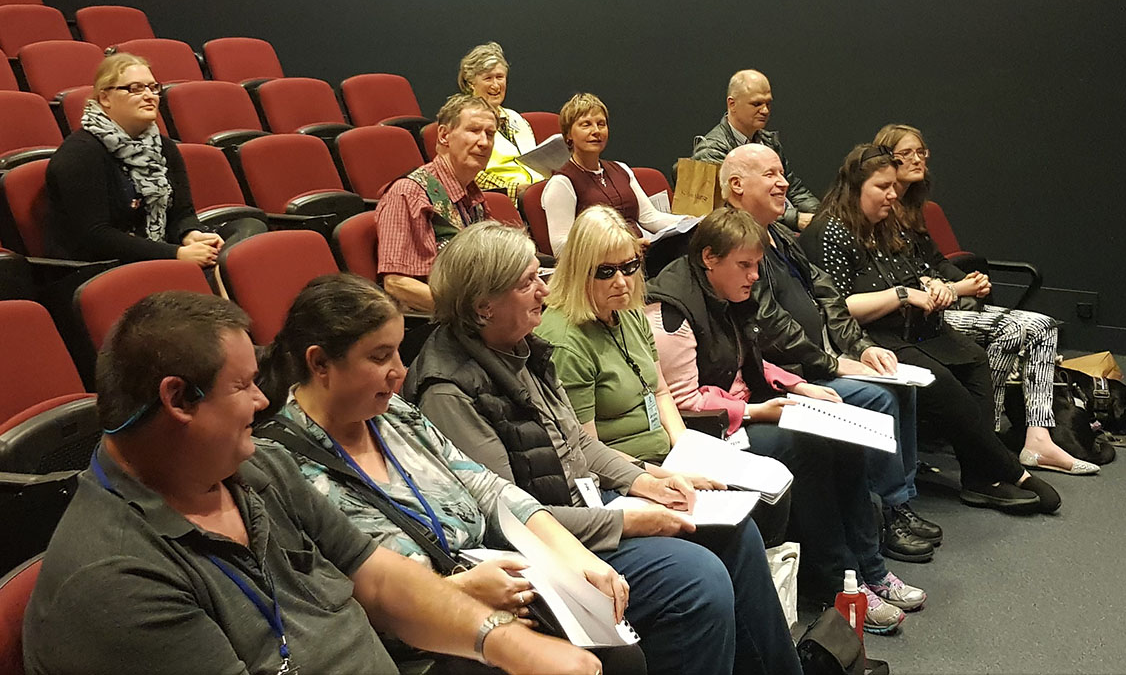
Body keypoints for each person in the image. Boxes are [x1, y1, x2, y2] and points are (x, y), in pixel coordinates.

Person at [23, 291, 599, 675]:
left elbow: (377, 580)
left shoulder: (257, 469)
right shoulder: (116, 581)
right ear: (179, 399)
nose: (261, 399)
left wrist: (504, 641)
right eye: (243, 385)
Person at [405, 220, 804, 675]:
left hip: (585, 506)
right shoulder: (448, 391)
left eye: (541, 275)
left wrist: (645, 479)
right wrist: (622, 520)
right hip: (548, 547)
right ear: (483, 306)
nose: (543, 290)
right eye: (528, 282)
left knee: (736, 534)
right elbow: (509, 519)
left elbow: (577, 443)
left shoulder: (521, 347)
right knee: (698, 581)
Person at [255, 272, 645, 674]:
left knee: (620, 652)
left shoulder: (396, 417)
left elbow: (490, 490)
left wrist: (577, 559)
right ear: (319, 363)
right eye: (379, 356)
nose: (400, 372)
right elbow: (328, 604)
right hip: (413, 647)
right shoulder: (281, 465)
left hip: (492, 598)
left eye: (398, 353)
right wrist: (460, 590)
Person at [644, 207, 926, 630]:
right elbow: (683, 402)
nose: (754, 276)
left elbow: (750, 360)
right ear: (709, 259)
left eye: (756, 265)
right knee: (804, 446)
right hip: (710, 432)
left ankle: (870, 567)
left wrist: (798, 386)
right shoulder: (670, 315)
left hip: (745, 409)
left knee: (844, 430)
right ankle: (837, 581)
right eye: (744, 265)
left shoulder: (728, 293)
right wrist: (758, 410)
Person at [799, 144, 1062, 514]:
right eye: (882, 187)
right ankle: (1011, 471)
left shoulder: (887, 224)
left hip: (917, 328)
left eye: (894, 186)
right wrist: (903, 294)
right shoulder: (830, 232)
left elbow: (918, 269)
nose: (893, 194)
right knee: (942, 384)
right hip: (872, 336)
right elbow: (837, 309)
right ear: (855, 187)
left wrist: (934, 283)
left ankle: (979, 478)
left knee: (974, 362)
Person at [718, 143, 938, 562]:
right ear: (736, 185)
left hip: (818, 358)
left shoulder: (779, 234)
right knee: (877, 398)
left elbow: (827, 294)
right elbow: (769, 324)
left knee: (896, 382)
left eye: (783, 173)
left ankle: (896, 503)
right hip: (784, 371)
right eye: (770, 175)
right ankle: (888, 513)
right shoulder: (734, 244)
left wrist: (860, 345)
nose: (784, 182)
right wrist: (832, 363)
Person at [872, 123, 1099, 475]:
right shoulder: (880, 212)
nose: (918, 160)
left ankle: (1036, 439)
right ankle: (984, 437)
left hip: (942, 306)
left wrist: (965, 280)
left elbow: (934, 263)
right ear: (887, 159)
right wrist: (957, 288)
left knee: (1042, 327)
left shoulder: (915, 208)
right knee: (1016, 331)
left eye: (922, 152)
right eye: (908, 154)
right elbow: (899, 276)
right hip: (919, 318)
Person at [44, 52, 246, 265]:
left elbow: (181, 214)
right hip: (100, 268)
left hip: (159, 257)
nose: (149, 95)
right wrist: (176, 254)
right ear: (105, 98)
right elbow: (96, 236)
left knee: (248, 228)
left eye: (153, 87)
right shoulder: (80, 153)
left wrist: (190, 234)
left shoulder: (164, 146)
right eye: (135, 88)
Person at [377, 93, 495, 313]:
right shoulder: (410, 193)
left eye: (490, 134)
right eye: (473, 131)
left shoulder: (474, 195)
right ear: (443, 136)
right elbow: (396, 284)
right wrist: (468, 315)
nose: (484, 142)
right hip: (438, 325)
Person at [542, 93, 684, 255]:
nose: (596, 131)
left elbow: (650, 218)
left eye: (601, 124)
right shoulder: (562, 183)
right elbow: (562, 248)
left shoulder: (621, 169)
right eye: (586, 125)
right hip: (602, 268)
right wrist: (620, 247)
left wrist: (689, 221)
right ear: (568, 135)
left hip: (642, 255)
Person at [692, 69, 819, 230]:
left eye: (768, 103)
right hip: (743, 233)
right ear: (732, 104)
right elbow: (733, 209)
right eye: (756, 104)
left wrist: (821, 215)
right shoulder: (711, 150)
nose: (765, 110)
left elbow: (794, 189)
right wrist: (796, 219)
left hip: (776, 225)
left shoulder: (768, 141)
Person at [457, 41, 545, 204]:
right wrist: (514, 190)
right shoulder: (465, 121)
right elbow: (471, 175)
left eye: (500, 77)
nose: (496, 85)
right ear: (471, 84)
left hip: (539, 197)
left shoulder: (516, 118)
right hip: (503, 201)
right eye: (488, 78)